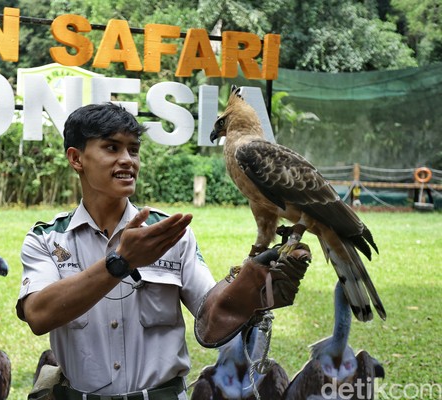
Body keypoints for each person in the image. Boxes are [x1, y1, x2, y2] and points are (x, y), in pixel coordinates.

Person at [16, 102, 311, 399]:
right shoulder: (49, 239)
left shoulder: (170, 234)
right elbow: (39, 315)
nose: (127, 160)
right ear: (76, 158)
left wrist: (252, 288)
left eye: (133, 149)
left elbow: (212, 319)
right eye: (111, 148)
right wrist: (119, 263)